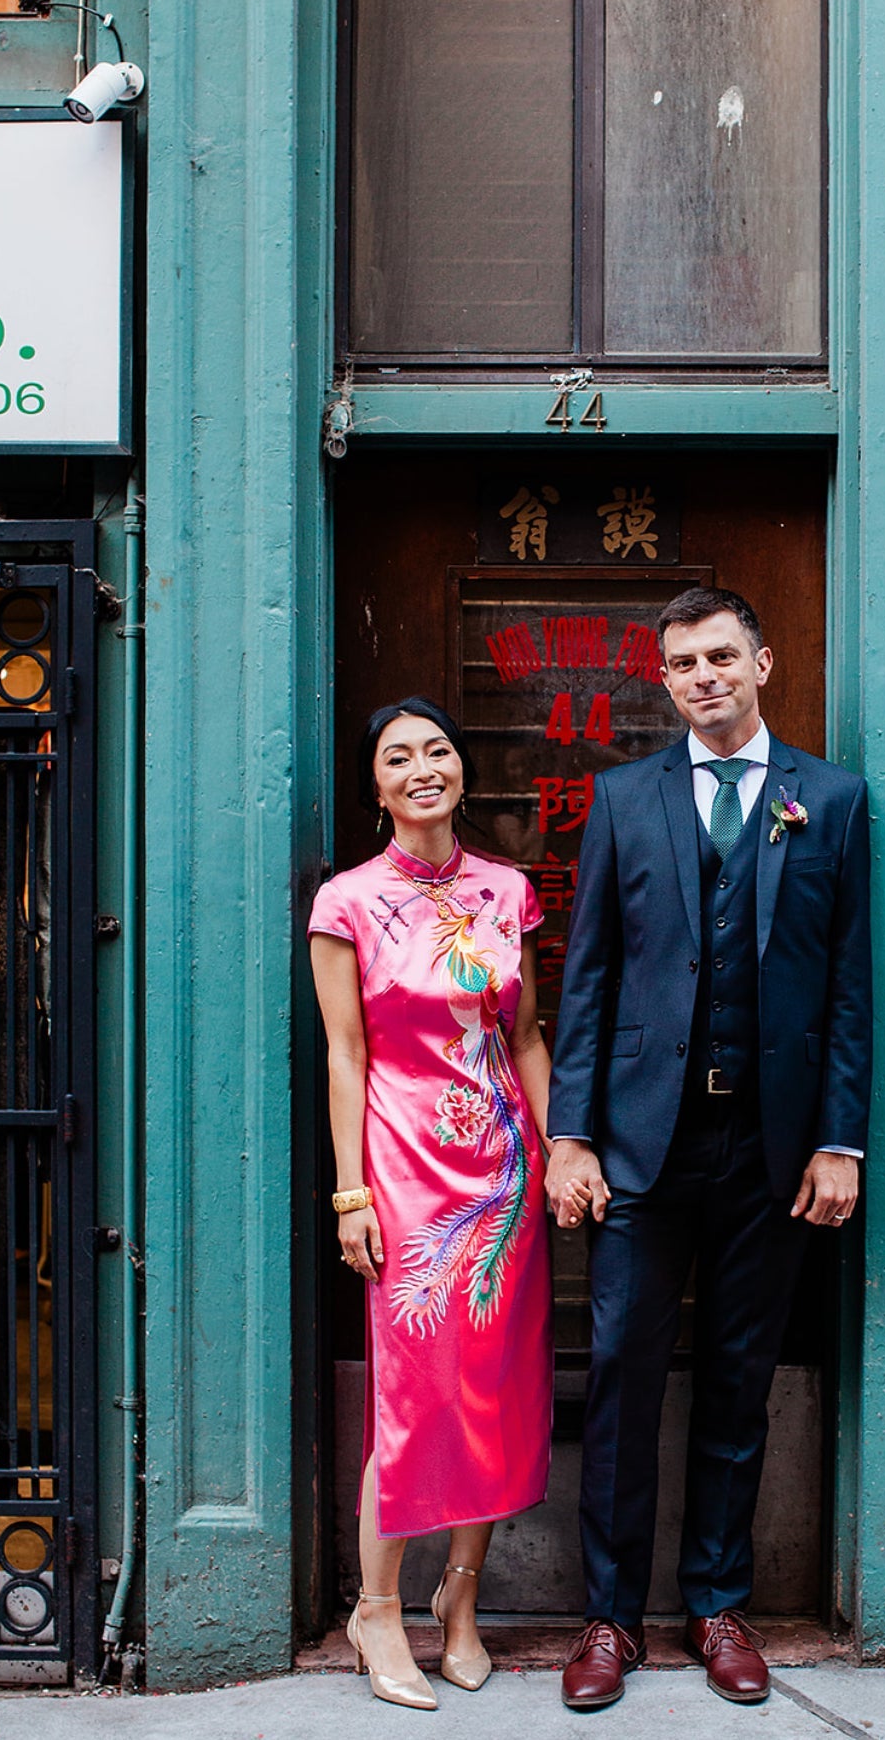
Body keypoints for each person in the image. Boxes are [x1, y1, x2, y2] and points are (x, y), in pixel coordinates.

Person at [545, 588, 872, 1711]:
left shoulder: (828, 799)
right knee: (625, 1379)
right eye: (682, 662)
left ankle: (719, 1603)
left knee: (738, 1381)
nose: (703, 676)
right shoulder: (625, 796)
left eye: (722, 654)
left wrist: (838, 1141)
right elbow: (584, 979)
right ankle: (609, 1618)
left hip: (771, 1149)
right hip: (642, 1143)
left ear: (763, 662)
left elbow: (845, 987)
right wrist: (570, 1133)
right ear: (667, 679)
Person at [310, 698, 580, 1708]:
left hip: (504, 1171)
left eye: (437, 751)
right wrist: (351, 1193)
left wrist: (559, 1152)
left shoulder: (508, 891)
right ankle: (377, 1605)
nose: (423, 767)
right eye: (399, 756)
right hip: (406, 1168)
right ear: (376, 785)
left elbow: (526, 1039)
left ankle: (459, 1600)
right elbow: (346, 1055)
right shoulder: (348, 900)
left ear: (460, 772)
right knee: (413, 1392)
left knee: (496, 1390)